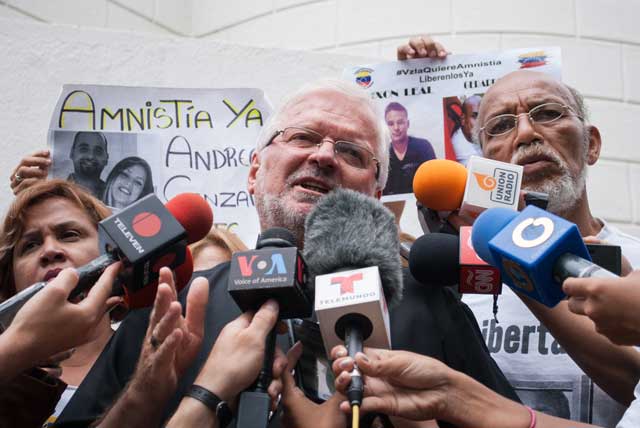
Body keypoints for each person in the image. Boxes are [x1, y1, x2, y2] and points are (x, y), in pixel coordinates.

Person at [57, 80, 517, 427]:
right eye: (302, 137)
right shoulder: (174, 304)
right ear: (254, 172)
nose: (324, 156)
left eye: (351, 152)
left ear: (377, 194)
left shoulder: (428, 301)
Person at [396, 38, 640, 426]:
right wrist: (418, 81)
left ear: (591, 144)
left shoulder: (635, 269)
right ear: (481, 164)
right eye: (502, 126)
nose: (526, 134)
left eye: (548, 114)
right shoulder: (452, 276)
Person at [0, 179, 123, 425]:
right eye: (30, 245)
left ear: (113, 252)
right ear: (10, 280)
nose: (50, 251)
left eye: (69, 235)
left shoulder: (151, 355)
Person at [383, 102, 436, 196]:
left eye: (400, 122)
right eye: (391, 124)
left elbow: (434, 182)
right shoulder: (383, 153)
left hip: (422, 203)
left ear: (408, 124)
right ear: (385, 127)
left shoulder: (423, 147)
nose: (396, 128)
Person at [67, 131, 109, 198]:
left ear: (106, 158)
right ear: (72, 153)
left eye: (98, 151)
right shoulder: (57, 191)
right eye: (84, 149)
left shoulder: (112, 196)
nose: (90, 156)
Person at [450, 95, 482, 166]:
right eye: (475, 116)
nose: (481, 122)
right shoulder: (456, 147)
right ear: (463, 119)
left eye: (482, 116)